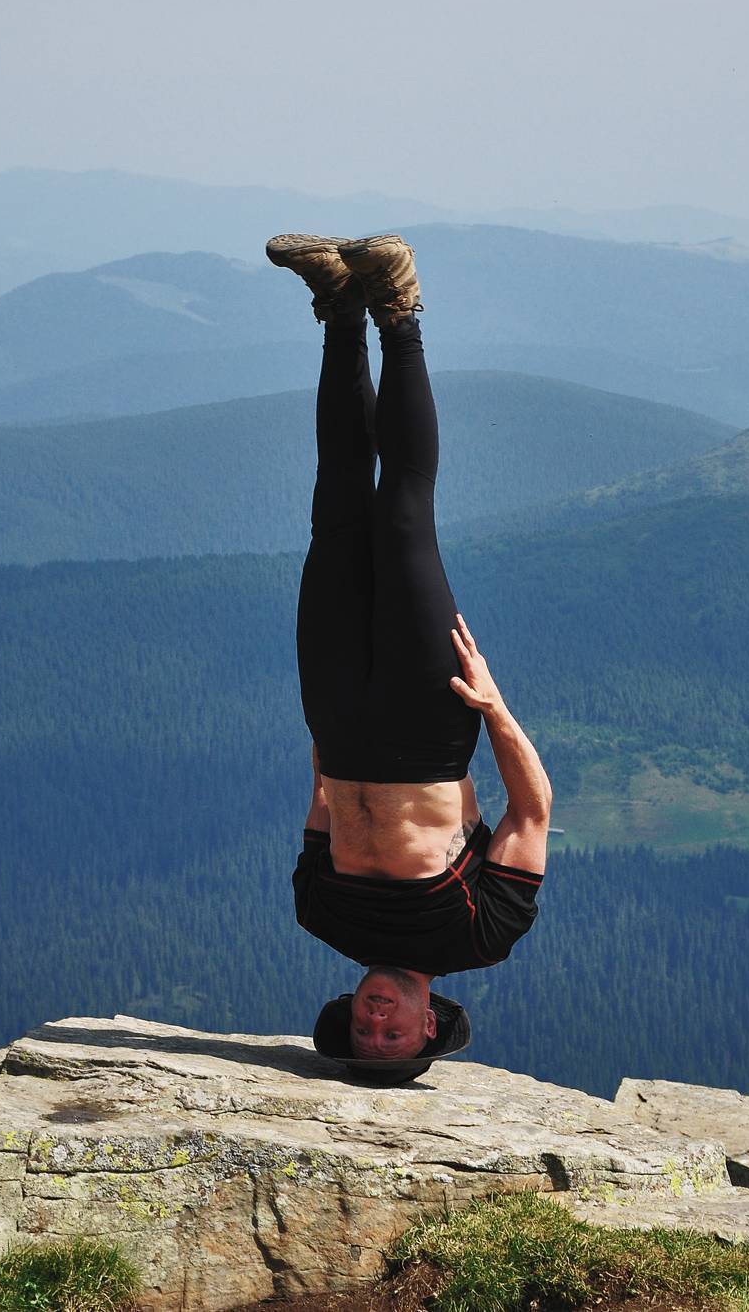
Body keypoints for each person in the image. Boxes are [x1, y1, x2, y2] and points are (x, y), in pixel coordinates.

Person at [266, 233, 552, 1083]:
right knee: (400, 518)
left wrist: (327, 722)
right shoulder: (479, 935)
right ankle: (398, 309)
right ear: (434, 1021)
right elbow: (531, 813)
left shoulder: (320, 916)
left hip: (343, 717)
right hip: (433, 725)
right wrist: (494, 707)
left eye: (362, 1033)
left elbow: (322, 806)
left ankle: (337, 309)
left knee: (338, 508)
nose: (376, 1023)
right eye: (395, 1037)